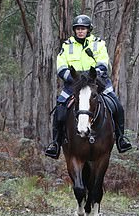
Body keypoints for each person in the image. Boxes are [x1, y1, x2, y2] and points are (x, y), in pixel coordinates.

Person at [45, 14, 133, 159]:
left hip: (96, 82)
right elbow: (60, 65)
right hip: (74, 84)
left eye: (83, 28)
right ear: (75, 30)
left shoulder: (98, 43)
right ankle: (55, 143)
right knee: (60, 110)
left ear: (88, 29)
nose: (80, 31)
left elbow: (103, 62)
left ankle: (121, 139)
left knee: (117, 106)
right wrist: (72, 78)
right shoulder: (67, 45)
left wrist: (93, 76)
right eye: (78, 29)